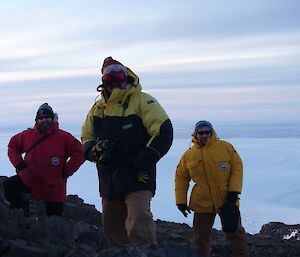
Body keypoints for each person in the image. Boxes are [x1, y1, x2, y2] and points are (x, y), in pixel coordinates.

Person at [81, 57, 173, 246]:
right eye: (108, 77)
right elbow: (86, 136)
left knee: (139, 221)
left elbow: (163, 130)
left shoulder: (142, 100)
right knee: (112, 228)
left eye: (117, 74)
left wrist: (145, 158)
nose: (113, 80)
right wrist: (93, 152)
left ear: (126, 75)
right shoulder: (98, 108)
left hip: (137, 175)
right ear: (103, 80)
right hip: (109, 177)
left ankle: (147, 252)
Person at [175, 120, 249, 257]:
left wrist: (234, 191)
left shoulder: (225, 147)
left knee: (235, 234)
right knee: (200, 238)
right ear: (196, 134)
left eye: (207, 132)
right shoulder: (189, 155)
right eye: (200, 132)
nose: (204, 135)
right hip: (202, 202)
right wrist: (181, 201)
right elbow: (181, 178)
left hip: (227, 200)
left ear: (212, 132)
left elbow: (237, 168)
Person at [4, 103, 85, 216]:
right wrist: (21, 166)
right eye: (41, 118)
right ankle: (21, 213)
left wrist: (67, 170)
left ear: (52, 118)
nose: (44, 120)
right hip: (30, 180)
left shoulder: (64, 137)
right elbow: (12, 146)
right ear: (36, 120)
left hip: (53, 186)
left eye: (47, 117)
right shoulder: (27, 135)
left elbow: (80, 152)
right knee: (9, 186)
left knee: (55, 221)